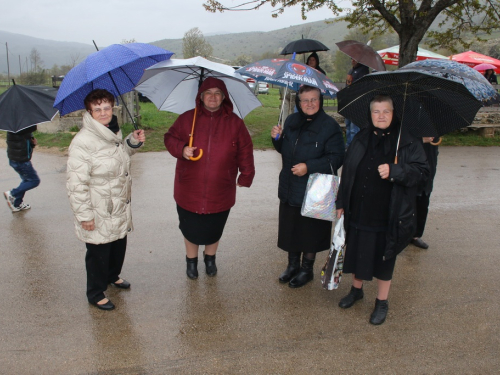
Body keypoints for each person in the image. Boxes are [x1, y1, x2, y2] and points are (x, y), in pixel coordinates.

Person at [336, 94, 429, 325]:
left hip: (389, 213)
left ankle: (382, 301)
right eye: (376, 111)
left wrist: (396, 171)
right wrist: (341, 203)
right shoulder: (361, 137)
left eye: (386, 111)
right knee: (357, 251)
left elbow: (423, 173)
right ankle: (356, 290)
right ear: (370, 114)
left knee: (384, 257)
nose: (381, 116)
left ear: (393, 112)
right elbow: (348, 172)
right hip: (359, 208)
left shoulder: (407, 140)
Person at [164, 77, 255, 280]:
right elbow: (169, 138)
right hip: (189, 187)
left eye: (217, 93)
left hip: (221, 188)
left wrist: (246, 174)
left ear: (224, 97)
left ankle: (210, 258)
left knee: (215, 226)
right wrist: (182, 149)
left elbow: (245, 150)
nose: (212, 97)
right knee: (190, 227)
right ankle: (191, 261)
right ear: (201, 96)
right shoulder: (188, 118)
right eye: (208, 93)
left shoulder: (235, 123)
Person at [66, 89, 145, 311]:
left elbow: (117, 159)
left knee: (118, 244)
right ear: (89, 112)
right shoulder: (83, 142)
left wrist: (131, 142)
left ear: (113, 108)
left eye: (107, 107)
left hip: (117, 204)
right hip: (98, 207)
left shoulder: (112, 132)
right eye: (97, 109)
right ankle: (95, 292)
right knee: (98, 252)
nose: (103, 113)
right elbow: (76, 184)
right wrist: (85, 216)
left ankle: (112, 276)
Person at [271, 85, 345, 288]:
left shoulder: (329, 126)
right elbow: (286, 150)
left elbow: (337, 157)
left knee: (309, 231)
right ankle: (293, 265)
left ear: (320, 101)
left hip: (315, 190)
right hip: (290, 185)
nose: (310, 104)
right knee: (291, 228)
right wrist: (277, 139)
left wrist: (309, 166)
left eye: (314, 99)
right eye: (305, 100)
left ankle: (306, 270)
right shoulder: (292, 121)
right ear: (298, 102)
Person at [3, 125, 41, 212]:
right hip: (22, 161)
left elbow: (24, 142)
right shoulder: (23, 127)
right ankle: (12, 193)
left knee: (26, 180)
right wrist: (33, 142)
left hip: (14, 159)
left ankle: (17, 203)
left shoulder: (12, 126)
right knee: (34, 181)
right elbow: (32, 128)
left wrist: (32, 142)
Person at [412, 137, 439, 249]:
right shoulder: (407, 120)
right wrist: (420, 140)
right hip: (411, 157)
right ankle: (400, 233)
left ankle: (416, 235)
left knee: (424, 196)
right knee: (406, 198)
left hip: (429, 156)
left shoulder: (434, 122)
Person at [345, 59, 370, 148]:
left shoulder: (363, 70)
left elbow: (361, 87)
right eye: (351, 58)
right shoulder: (351, 70)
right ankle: (348, 145)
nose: (353, 60)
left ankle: (354, 147)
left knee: (354, 128)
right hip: (349, 101)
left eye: (355, 59)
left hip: (357, 103)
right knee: (348, 126)